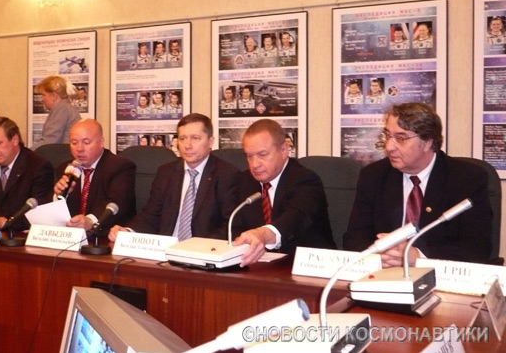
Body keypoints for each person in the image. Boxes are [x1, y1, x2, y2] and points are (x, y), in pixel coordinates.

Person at [343, 103, 493, 266]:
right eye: (387, 135)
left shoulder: (467, 178)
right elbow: (354, 238)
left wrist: (418, 256)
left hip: (438, 275)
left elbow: (477, 248)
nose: (389, 147)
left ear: (427, 141)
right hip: (383, 272)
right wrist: (380, 256)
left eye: (400, 138)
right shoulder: (374, 175)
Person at [109, 113, 239, 241]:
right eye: (183, 138)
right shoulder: (166, 172)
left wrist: (197, 246)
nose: (187, 145)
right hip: (166, 247)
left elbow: (231, 225)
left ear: (210, 141)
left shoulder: (226, 174)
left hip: (204, 250)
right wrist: (128, 231)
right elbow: (152, 215)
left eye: (195, 138)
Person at [232, 119, 335, 266]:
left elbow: (295, 218)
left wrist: (263, 235)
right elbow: (236, 226)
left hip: (306, 265)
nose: (254, 164)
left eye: (262, 154)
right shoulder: (244, 181)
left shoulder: (305, 179)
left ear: (284, 150)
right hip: (259, 266)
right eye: (249, 156)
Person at [53, 119, 136, 235]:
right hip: (71, 236)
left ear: (101, 142)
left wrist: (90, 221)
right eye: (74, 143)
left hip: (106, 236)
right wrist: (58, 196)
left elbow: (116, 202)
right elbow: (57, 214)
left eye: (86, 142)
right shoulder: (65, 169)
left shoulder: (120, 167)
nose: (79, 149)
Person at [0, 117, 54, 230]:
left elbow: (40, 213)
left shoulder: (38, 166)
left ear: (15, 140)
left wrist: (3, 221)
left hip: (21, 235)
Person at [32, 75, 81, 150]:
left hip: (62, 155)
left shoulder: (62, 109)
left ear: (53, 96)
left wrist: (26, 153)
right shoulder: (65, 107)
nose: (42, 99)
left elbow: (50, 141)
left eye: (43, 95)